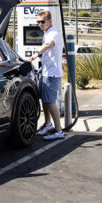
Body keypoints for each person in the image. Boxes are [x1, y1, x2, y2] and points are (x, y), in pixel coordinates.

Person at [33, 10, 64, 140]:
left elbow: (48, 45)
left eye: (43, 21)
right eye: (38, 22)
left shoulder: (54, 33)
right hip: (45, 71)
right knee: (45, 100)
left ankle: (59, 131)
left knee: (51, 102)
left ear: (50, 20)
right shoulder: (46, 33)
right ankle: (48, 124)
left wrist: (36, 53)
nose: (40, 24)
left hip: (52, 73)